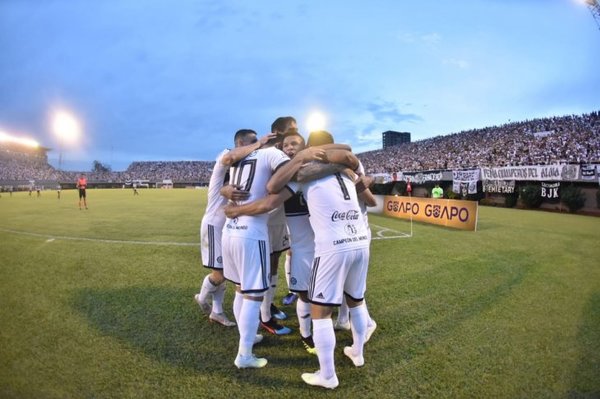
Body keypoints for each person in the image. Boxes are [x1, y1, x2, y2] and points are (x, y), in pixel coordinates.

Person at [221, 128, 311, 369]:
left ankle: (246, 338)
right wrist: (300, 161)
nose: (289, 150)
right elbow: (274, 189)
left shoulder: (241, 157)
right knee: (253, 295)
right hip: (252, 234)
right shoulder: (272, 154)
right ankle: (244, 355)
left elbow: (226, 174)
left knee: (240, 290)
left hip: (229, 231)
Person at [194, 131, 275, 328]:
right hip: (215, 224)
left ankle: (217, 312)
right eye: (252, 141)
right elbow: (228, 158)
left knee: (227, 274)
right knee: (220, 274)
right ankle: (202, 297)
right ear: (240, 143)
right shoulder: (227, 156)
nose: (256, 145)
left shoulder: (243, 166)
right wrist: (261, 144)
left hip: (229, 227)